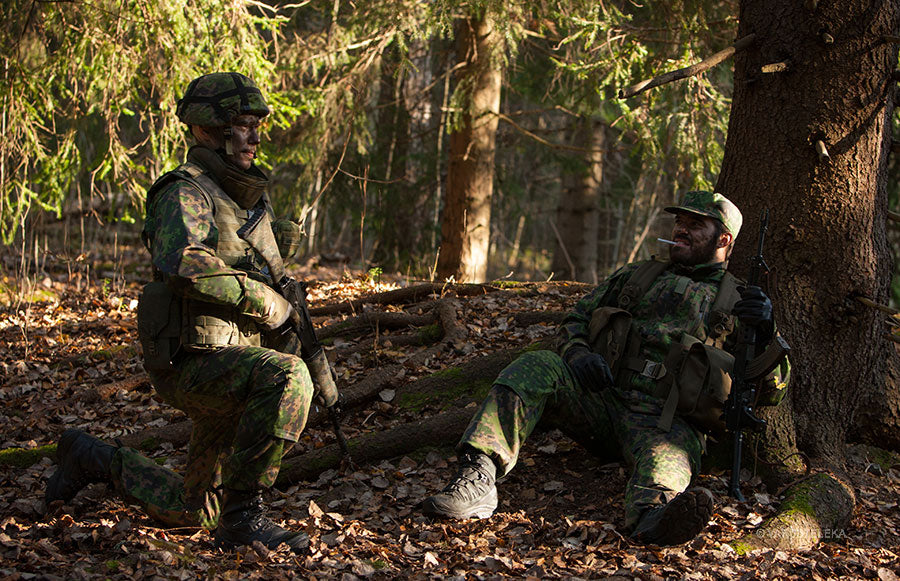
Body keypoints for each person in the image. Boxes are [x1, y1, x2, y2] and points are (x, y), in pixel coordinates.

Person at [45, 72, 337, 553]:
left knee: (193, 512)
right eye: (242, 126)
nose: (254, 138)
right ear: (206, 130)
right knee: (288, 378)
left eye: (257, 126)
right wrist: (267, 302)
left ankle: (91, 457)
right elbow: (184, 265)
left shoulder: (244, 198)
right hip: (194, 362)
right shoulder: (184, 192)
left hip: (237, 360)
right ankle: (243, 520)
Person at [421, 191, 790, 545]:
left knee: (664, 471)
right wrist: (578, 354)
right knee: (536, 366)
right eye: (680, 221)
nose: (681, 229)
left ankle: (653, 519)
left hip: (667, 427)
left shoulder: (740, 302)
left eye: (695, 225)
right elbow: (575, 319)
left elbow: (771, 392)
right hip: (602, 402)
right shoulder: (639, 275)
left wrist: (765, 330)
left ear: (723, 239)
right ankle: (477, 476)